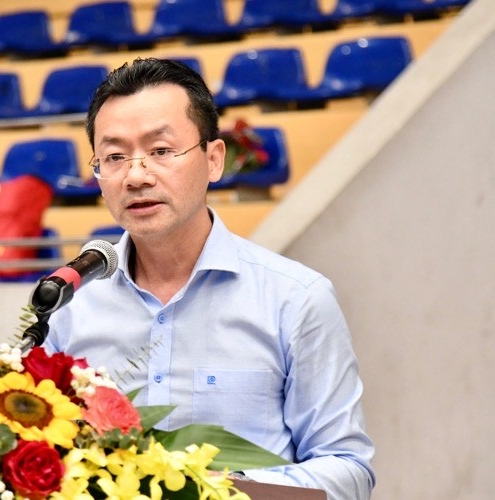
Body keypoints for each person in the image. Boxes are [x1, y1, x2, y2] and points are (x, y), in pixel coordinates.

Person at [42, 58, 375, 499]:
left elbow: (347, 469)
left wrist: (216, 493)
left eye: (161, 151)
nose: (136, 176)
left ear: (214, 159)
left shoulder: (295, 298)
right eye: (115, 157)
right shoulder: (73, 301)